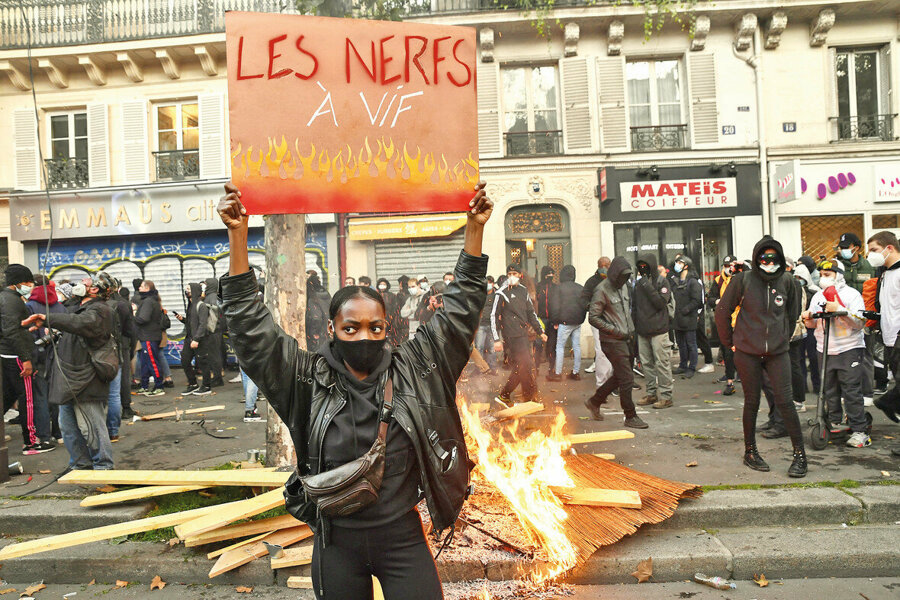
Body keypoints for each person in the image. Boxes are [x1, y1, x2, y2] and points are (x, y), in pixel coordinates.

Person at [218, 180, 493, 600]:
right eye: (351, 328)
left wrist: (473, 229)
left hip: (403, 539)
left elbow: (459, 311)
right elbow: (253, 332)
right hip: (336, 545)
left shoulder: (416, 368)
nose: (364, 336)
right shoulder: (304, 379)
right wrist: (238, 236)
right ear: (332, 330)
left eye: (375, 327)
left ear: (389, 329)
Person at [715, 238, 807, 477]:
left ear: (780, 259)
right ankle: (750, 451)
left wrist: (782, 339)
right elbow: (722, 311)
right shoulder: (742, 280)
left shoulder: (789, 282)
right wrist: (730, 343)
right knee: (752, 402)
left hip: (777, 352)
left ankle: (800, 455)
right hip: (747, 352)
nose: (769, 263)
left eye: (773, 259)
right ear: (756, 259)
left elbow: (791, 314)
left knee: (786, 402)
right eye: (764, 259)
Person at [23, 272, 117, 470]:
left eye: (87, 281)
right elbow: (73, 324)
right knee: (69, 428)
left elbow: (80, 324)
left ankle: (103, 467)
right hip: (69, 380)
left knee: (91, 427)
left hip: (86, 380)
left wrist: (49, 318)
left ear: (95, 289)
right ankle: (80, 464)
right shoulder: (81, 308)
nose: (81, 282)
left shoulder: (100, 310)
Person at [802, 260, 869, 448]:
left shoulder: (851, 295)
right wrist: (808, 318)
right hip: (824, 349)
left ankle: (859, 430)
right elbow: (813, 324)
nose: (824, 278)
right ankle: (834, 422)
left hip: (849, 348)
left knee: (851, 390)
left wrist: (841, 311)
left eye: (828, 274)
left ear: (838, 275)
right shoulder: (818, 296)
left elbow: (859, 322)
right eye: (822, 274)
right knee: (829, 390)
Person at [584, 257, 647, 428]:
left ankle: (595, 401)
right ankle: (630, 415)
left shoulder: (625, 287)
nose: (624, 281)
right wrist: (615, 330)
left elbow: (627, 311)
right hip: (612, 341)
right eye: (622, 277)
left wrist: (630, 331)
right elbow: (593, 317)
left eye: (627, 277)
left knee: (620, 376)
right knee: (627, 378)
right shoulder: (601, 290)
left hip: (627, 338)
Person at [3, 265, 55, 455]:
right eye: (27, 283)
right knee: (28, 400)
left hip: (9, 354)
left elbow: (11, 328)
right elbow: (11, 331)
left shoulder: (7, 299)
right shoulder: (12, 301)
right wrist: (26, 359)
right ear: (18, 282)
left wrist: (26, 326)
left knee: (8, 397)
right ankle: (31, 443)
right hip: (17, 357)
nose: (29, 286)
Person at [491, 265, 547, 404]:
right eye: (509, 273)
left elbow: (531, 313)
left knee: (522, 366)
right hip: (511, 335)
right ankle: (528, 396)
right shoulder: (501, 293)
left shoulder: (523, 291)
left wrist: (540, 331)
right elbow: (494, 315)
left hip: (523, 334)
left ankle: (508, 395)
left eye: (514, 273)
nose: (512, 276)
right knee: (525, 364)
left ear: (520, 275)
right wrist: (496, 339)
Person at [868, 231, 900, 456]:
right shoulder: (885, 275)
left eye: (874, 250)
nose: (871, 255)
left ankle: (888, 401)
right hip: (889, 340)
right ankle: (889, 401)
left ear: (889, 248)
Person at [25, 275, 66, 443]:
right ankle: (59, 432)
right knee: (57, 395)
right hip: (59, 355)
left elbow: (28, 334)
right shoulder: (60, 306)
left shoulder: (30, 306)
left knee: (40, 397)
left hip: (39, 356)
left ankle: (44, 436)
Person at [633, 255, 674, 409]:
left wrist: (646, 285)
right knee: (647, 364)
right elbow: (635, 307)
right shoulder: (638, 284)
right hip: (643, 330)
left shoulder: (662, 282)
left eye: (645, 265)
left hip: (659, 330)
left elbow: (660, 303)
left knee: (662, 363)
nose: (642, 268)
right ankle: (651, 394)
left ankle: (666, 396)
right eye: (640, 266)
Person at [548, 265, 585, 381]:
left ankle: (558, 373)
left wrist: (555, 321)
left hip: (564, 322)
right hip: (577, 321)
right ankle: (576, 372)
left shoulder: (559, 288)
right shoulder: (580, 288)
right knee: (576, 346)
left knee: (560, 347)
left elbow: (555, 306)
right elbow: (584, 305)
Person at [708, 256, 738, 395]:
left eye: (731, 265)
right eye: (726, 265)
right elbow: (710, 299)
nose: (728, 268)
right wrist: (718, 301)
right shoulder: (718, 280)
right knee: (727, 352)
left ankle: (743, 376)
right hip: (725, 321)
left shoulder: (740, 279)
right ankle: (730, 380)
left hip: (740, 322)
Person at [134, 280, 169, 396]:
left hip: (149, 336)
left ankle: (159, 386)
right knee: (145, 362)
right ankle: (144, 386)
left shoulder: (148, 302)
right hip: (146, 336)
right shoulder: (149, 300)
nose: (139, 288)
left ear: (147, 288)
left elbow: (143, 318)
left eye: (141, 286)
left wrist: (132, 316)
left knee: (152, 362)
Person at [178, 283, 213, 396]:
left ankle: (207, 386)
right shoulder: (191, 305)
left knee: (203, 363)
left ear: (194, 291)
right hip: (189, 338)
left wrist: (197, 339)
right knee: (185, 360)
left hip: (200, 339)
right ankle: (193, 384)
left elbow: (202, 324)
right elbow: (191, 323)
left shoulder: (201, 306)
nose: (186, 291)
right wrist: (182, 319)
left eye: (188, 289)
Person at [582, 257, 613, 382]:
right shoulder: (592, 282)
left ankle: (612, 378)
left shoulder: (614, 280)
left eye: (607, 265)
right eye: (603, 265)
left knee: (613, 349)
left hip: (612, 319)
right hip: (598, 320)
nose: (605, 267)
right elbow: (584, 299)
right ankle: (602, 381)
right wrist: (593, 309)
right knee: (600, 351)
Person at [672, 256, 703, 379]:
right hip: (678, 318)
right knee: (681, 344)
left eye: (680, 263)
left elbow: (697, 300)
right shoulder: (675, 281)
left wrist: (687, 309)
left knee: (691, 344)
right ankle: (683, 365)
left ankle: (692, 367)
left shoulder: (693, 282)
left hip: (689, 317)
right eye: (677, 262)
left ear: (686, 265)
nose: (677, 265)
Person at [203, 278, 226, 387]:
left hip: (213, 330)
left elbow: (214, 314)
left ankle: (217, 378)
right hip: (217, 330)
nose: (204, 286)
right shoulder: (214, 296)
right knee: (216, 353)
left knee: (214, 355)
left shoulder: (210, 297)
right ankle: (217, 376)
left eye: (206, 284)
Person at [535, 266, 557, 375]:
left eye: (552, 274)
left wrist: (557, 319)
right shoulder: (538, 287)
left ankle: (551, 369)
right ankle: (536, 368)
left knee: (552, 345)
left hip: (553, 320)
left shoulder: (555, 287)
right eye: (548, 274)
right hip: (541, 320)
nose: (550, 276)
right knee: (538, 344)